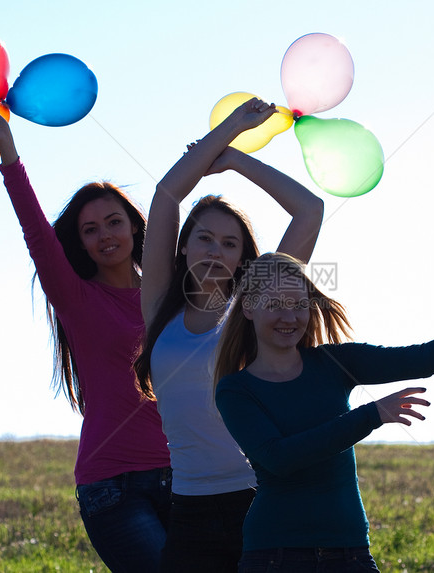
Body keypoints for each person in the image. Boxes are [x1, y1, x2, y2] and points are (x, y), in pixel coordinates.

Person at [213, 252, 434, 572]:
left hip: (349, 551)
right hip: (276, 556)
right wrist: (371, 415)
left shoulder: (335, 363)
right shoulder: (235, 390)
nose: (290, 317)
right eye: (275, 305)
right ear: (249, 308)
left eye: (299, 305)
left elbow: (421, 358)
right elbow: (279, 459)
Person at [0, 91, 171, 573]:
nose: (105, 236)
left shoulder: (170, 296)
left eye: (113, 222)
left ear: (135, 228)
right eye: (90, 229)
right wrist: (8, 153)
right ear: (79, 242)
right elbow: (38, 234)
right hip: (112, 486)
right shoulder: (78, 300)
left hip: (185, 477)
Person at [133, 98, 325, 572]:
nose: (216, 249)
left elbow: (309, 210)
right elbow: (165, 196)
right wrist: (230, 128)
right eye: (204, 237)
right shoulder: (159, 303)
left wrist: (236, 158)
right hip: (189, 509)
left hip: (257, 499)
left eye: (230, 242)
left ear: (243, 258)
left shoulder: (253, 305)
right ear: (183, 247)